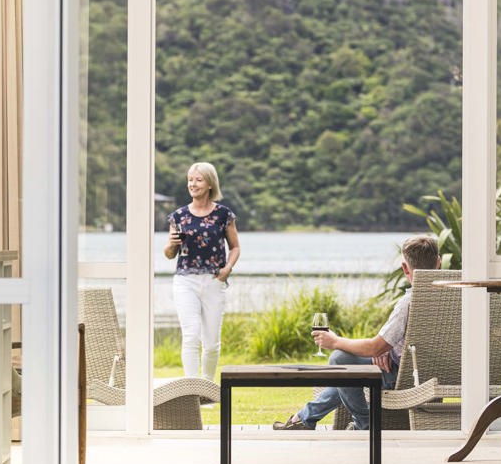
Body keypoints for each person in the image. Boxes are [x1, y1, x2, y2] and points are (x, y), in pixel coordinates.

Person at [272, 235, 439, 431]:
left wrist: (335, 341)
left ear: (404, 268)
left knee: (340, 359)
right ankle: (303, 419)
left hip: (402, 375)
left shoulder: (409, 302)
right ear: (438, 263)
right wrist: (385, 349)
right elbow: (387, 346)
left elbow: (374, 346)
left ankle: (364, 423)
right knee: (347, 375)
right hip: (431, 371)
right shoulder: (456, 296)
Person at [164, 162, 240, 381]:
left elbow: (235, 247)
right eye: (190, 179)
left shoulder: (223, 214)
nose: (192, 184)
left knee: (212, 343)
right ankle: (191, 391)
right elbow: (170, 254)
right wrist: (171, 243)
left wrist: (227, 269)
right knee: (190, 336)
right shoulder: (178, 217)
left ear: (209, 184)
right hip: (185, 281)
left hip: (214, 281)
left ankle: (206, 388)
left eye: (198, 179)